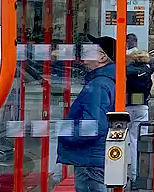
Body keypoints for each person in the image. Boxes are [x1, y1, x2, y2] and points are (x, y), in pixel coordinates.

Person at [59, 35, 118, 192]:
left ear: (102, 57)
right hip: (95, 156)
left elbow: (94, 126)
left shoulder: (98, 85)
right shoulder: (107, 80)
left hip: (90, 160)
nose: (84, 54)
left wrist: (63, 132)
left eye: (89, 50)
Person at [125, 34, 154, 188]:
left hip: (127, 105)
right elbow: (153, 64)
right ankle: (138, 174)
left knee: (124, 139)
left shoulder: (127, 69)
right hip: (142, 105)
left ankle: (124, 172)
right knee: (138, 140)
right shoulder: (148, 69)